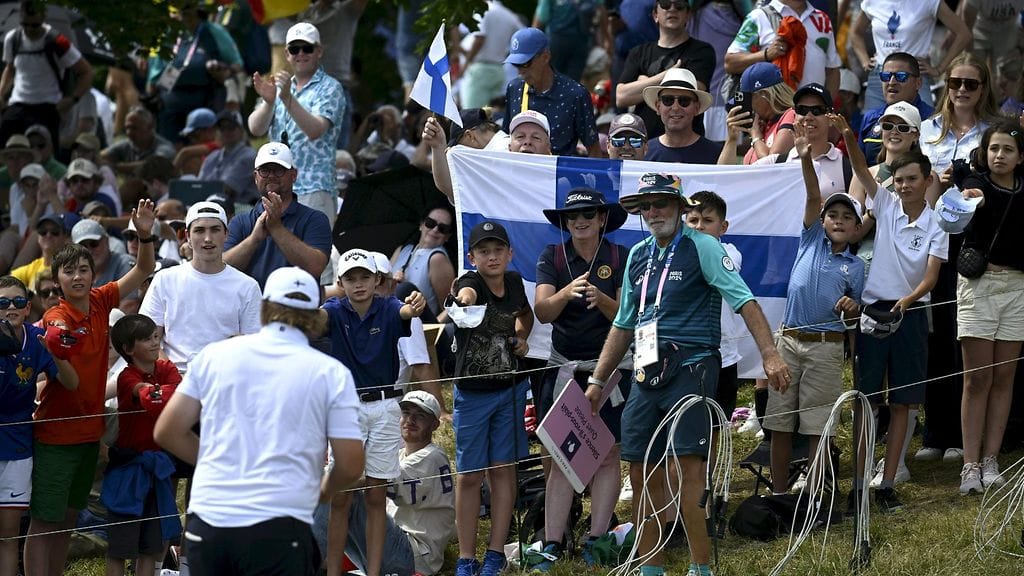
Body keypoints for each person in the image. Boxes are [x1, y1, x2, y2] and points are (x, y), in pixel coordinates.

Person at [585, 172, 789, 576]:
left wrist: (769, 353)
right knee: (642, 471)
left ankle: (700, 566)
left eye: (661, 203)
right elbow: (625, 323)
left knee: (687, 469)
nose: (653, 211)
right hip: (645, 370)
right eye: (646, 205)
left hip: (692, 365)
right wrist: (596, 380)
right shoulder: (638, 255)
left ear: (680, 207)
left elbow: (744, 300)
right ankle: (651, 567)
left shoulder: (704, 246)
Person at [154, 266, 365, 576]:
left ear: (265, 309)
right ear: (317, 317)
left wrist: (216, 461)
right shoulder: (330, 373)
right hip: (279, 523)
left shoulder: (215, 355)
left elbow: (168, 431)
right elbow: (350, 464)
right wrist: (321, 492)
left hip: (210, 520)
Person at [23, 199, 155, 576]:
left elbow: (144, 268)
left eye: (84, 269)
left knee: (66, 518)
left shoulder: (101, 300)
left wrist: (144, 234)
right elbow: (55, 331)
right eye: (69, 271)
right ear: (58, 279)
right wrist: (57, 339)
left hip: (88, 433)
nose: (78, 276)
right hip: (54, 435)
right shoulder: (56, 315)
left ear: (93, 274)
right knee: (43, 523)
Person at [533, 188, 630, 569]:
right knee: (560, 457)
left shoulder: (620, 256)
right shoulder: (551, 256)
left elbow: (627, 315)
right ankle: (553, 542)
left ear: (602, 218)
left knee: (608, 455)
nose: (580, 221)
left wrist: (600, 299)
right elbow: (542, 311)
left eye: (589, 214)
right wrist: (567, 293)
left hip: (609, 369)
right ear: (564, 222)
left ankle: (597, 538)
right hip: (565, 368)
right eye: (572, 216)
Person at [916, 52, 1001, 465]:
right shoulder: (928, 130)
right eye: (955, 83)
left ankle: (959, 435)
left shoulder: (992, 132)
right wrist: (937, 182)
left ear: (984, 89)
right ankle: (935, 429)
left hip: (973, 246)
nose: (962, 90)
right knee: (934, 334)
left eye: (971, 84)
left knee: (962, 335)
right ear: (945, 86)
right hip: (932, 241)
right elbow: (911, 184)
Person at [319, 249, 426, 576]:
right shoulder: (333, 310)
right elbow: (318, 318)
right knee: (341, 498)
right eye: (351, 278)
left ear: (377, 279)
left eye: (364, 276)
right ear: (340, 282)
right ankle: (334, 571)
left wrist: (416, 306)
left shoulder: (389, 306)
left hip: (384, 406)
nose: (359, 283)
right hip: (347, 408)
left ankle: (375, 572)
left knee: (376, 497)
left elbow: (406, 312)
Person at [450, 221, 533, 576]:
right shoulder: (468, 284)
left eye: (498, 249)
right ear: (472, 257)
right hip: (472, 394)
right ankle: (466, 558)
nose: (492, 256)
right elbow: (464, 296)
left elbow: (525, 316)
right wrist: (462, 301)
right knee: (469, 476)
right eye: (484, 251)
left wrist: (521, 336)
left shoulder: (514, 283)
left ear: (510, 254)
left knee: (503, 470)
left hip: (510, 390)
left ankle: (496, 552)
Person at [957, 122, 1024, 494]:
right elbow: (970, 194)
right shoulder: (976, 182)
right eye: (994, 148)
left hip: (1018, 287)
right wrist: (970, 196)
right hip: (979, 287)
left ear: (1020, 157)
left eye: (1008, 150)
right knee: (977, 379)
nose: (1000, 155)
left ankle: (991, 460)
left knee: (1004, 378)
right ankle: (969, 465)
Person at [322, 390, 455, 576]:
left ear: (435, 424)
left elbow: (373, 482)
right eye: (406, 413)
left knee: (341, 494)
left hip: (413, 555)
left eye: (420, 416)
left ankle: (303, 558)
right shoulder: (400, 456)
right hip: (394, 549)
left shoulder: (432, 456)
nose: (410, 420)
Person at [0, 275, 78, 576]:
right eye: (3, 302)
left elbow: (71, 384)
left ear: (27, 307)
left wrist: (57, 354)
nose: (10, 308)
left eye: (18, 302)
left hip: (19, 446)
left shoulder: (36, 338)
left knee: (8, 534)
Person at [140, 201, 262, 372]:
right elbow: (147, 341)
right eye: (199, 230)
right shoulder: (164, 279)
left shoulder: (247, 286)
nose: (208, 238)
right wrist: (172, 378)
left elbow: (253, 346)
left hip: (225, 377)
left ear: (226, 235)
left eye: (215, 229)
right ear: (188, 237)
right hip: (174, 377)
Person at [103, 313, 182, 576]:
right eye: (146, 339)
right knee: (120, 546)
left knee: (150, 546)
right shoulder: (127, 377)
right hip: (129, 469)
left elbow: (179, 391)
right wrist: (167, 394)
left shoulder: (166, 368)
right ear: (128, 349)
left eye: (155, 337)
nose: (153, 343)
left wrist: (166, 393)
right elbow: (151, 399)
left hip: (157, 466)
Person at [248, 22, 344, 234]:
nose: (300, 54)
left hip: (314, 186)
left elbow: (315, 130)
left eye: (307, 48)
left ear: (319, 51)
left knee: (315, 258)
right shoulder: (280, 87)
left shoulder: (331, 87)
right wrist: (269, 102)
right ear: (287, 54)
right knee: (280, 256)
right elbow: (256, 128)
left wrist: (287, 98)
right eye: (294, 49)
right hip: (277, 189)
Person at [224, 142, 332, 288]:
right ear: (255, 177)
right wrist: (254, 239)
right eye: (265, 170)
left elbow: (315, 267)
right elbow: (222, 269)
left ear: (293, 175)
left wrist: (276, 229)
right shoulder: (240, 221)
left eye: (279, 170)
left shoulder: (315, 219)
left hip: (298, 309)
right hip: (252, 309)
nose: (271, 175)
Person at [684, 190, 748, 422]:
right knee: (686, 423)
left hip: (723, 353)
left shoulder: (730, 253)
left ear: (723, 227)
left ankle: (711, 460)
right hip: (686, 353)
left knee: (716, 423)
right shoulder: (675, 253)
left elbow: (711, 267)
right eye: (693, 220)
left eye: (708, 221)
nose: (699, 226)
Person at [616, 0, 716, 140]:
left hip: (688, 144)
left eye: (679, 6)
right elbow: (621, 97)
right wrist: (667, 75)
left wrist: (643, 82)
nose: (672, 9)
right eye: (665, 4)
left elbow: (693, 91)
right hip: (644, 144)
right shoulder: (638, 52)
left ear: (688, 15)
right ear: (655, 15)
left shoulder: (702, 51)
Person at [0, 0, 94, 146]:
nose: (29, 30)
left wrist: (72, 99)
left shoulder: (57, 41)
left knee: (42, 153)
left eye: (34, 25)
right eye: (24, 24)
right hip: (18, 104)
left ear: (43, 17)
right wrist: (1, 93)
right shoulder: (13, 39)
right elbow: (10, 68)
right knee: (6, 149)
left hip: (47, 106)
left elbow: (86, 72)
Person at [851, 0, 971, 111]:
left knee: (925, 128)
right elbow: (855, 33)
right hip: (881, 76)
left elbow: (964, 34)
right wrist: (864, 61)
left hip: (913, 76)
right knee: (872, 130)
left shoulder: (929, 2)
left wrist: (939, 69)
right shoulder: (872, 1)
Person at [502, 27, 600, 157]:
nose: (520, 71)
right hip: (521, 172)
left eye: (526, 63)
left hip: (559, 174)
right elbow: (506, 137)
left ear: (545, 57)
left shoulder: (575, 94)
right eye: (516, 64)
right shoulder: (515, 88)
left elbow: (593, 148)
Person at [724, 0, 841, 98]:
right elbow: (730, 63)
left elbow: (832, 70)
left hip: (811, 116)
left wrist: (825, 108)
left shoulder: (822, 19)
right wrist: (766, 54)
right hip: (773, 115)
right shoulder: (759, 17)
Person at [858, 53, 937, 166]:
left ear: (918, 83)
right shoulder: (870, 118)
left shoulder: (934, 120)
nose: (891, 82)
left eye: (901, 76)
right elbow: (860, 166)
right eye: (886, 76)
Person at [421, 108, 508, 202]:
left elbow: (452, 189)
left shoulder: (505, 151)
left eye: (458, 146)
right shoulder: (501, 149)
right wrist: (437, 146)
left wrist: (439, 147)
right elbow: (453, 189)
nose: (455, 151)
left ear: (470, 136)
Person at [717, 61, 796, 165]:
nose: (747, 105)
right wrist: (732, 139)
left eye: (748, 99)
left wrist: (755, 135)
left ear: (764, 95)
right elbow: (723, 174)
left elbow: (771, 165)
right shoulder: (762, 125)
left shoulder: (791, 115)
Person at [390, 205, 456, 321]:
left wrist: (432, 331)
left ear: (447, 236)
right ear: (421, 225)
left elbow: (449, 309)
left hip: (417, 327)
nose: (435, 230)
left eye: (443, 229)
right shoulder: (402, 250)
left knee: (405, 288)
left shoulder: (437, 259)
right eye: (430, 223)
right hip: (392, 319)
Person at [641, 68, 721, 163]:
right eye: (668, 100)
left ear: (697, 108)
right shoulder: (644, 153)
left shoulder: (716, 154)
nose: (675, 107)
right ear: (658, 107)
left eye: (684, 101)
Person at [462, 0, 523, 108]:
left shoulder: (482, 10)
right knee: (491, 115)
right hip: (499, 69)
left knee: (471, 114)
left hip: (481, 70)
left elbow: (480, 38)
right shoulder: (509, 15)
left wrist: (466, 62)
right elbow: (522, 35)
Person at [197, 110, 259, 204]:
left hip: (242, 209)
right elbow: (197, 186)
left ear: (241, 130)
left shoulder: (249, 156)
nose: (226, 131)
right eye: (222, 128)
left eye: (231, 127)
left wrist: (198, 190)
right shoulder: (212, 157)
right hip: (213, 206)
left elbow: (227, 190)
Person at [100, 106, 176, 177]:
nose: (129, 132)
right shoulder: (127, 144)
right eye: (127, 128)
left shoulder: (164, 147)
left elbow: (153, 165)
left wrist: (116, 167)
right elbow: (101, 156)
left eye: (134, 128)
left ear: (150, 127)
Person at [10, 212, 76, 290]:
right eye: (43, 231)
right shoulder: (33, 267)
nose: (48, 235)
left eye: (55, 232)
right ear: (37, 237)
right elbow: (7, 283)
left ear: (64, 237)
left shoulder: (70, 267)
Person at [70, 219, 133, 288]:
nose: (90, 251)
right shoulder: (74, 274)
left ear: (106, 241)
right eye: (83, 247)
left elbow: (130, 299)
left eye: (94, 244)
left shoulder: (124, 263)